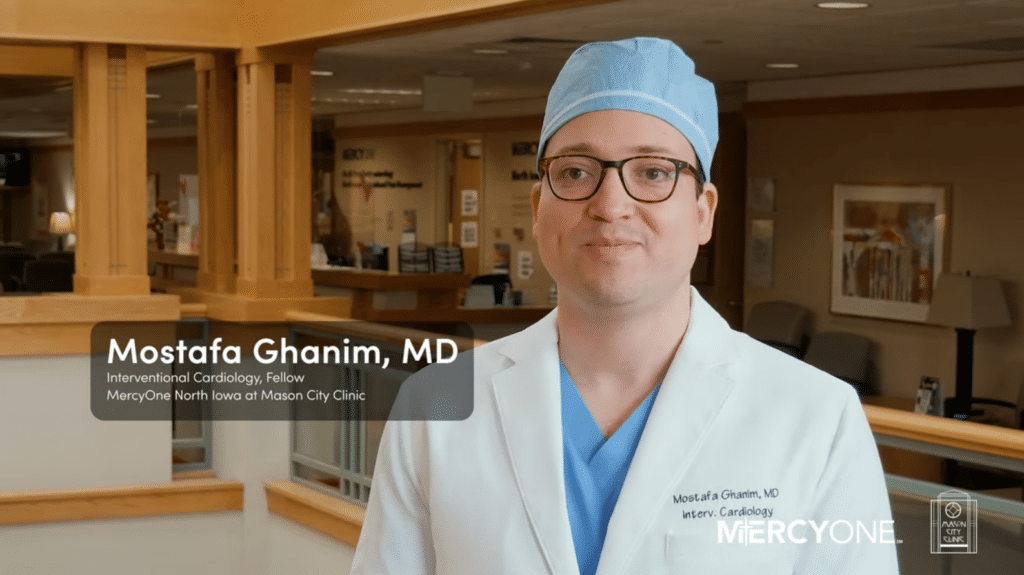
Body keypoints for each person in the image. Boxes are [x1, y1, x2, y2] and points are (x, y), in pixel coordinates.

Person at [350, 37, 899, 574]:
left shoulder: (816, 416)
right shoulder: (436, 405)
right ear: (539, 207)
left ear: (703, 212)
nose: (611, 205)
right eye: (575, 173)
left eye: (654, 172)